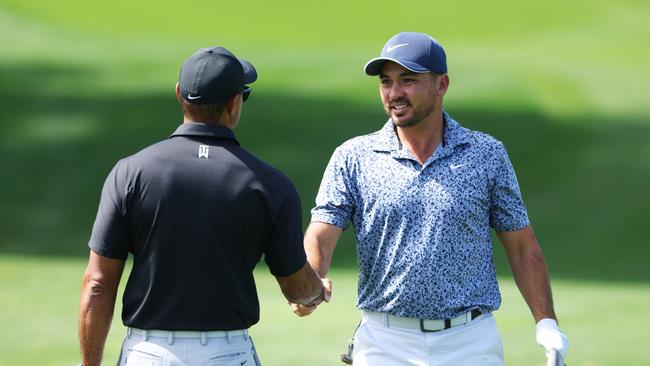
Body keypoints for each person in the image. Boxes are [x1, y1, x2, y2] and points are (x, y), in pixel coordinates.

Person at [293, 32, 569, 365]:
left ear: (441, 85)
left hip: (470, 341)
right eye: (386, 82)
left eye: (408, 80)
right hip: (385, 341)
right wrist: (309, 282)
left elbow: (522, 245)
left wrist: (546, 322)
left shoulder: (486, 154)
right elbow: (321, 236)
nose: (394, 93)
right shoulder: (354, 156)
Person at [78, 46, 326, 366]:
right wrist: (314, 291)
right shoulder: (270, 185)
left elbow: (98, 284)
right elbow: (296, 287)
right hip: (228, 353)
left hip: (147, 353)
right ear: (235, 103)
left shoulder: (129, 173)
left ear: (180, 94)